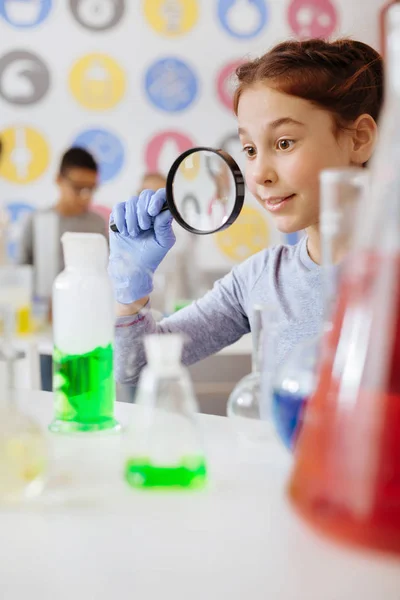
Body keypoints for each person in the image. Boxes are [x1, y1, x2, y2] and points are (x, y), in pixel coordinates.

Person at [108, 38, 383, 387]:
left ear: (358, 138)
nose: (259, 174)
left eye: (284, 143)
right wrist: (129, 299)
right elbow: (136, 367)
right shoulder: (261, 278)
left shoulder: (390, 275)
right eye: (250, 149)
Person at [18, 146, 106, 272]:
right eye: (78, 187)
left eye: (91, 188)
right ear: (59, 179)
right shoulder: (37, 221)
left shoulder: (97, 223)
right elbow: (23, 271)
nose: (85, 196)